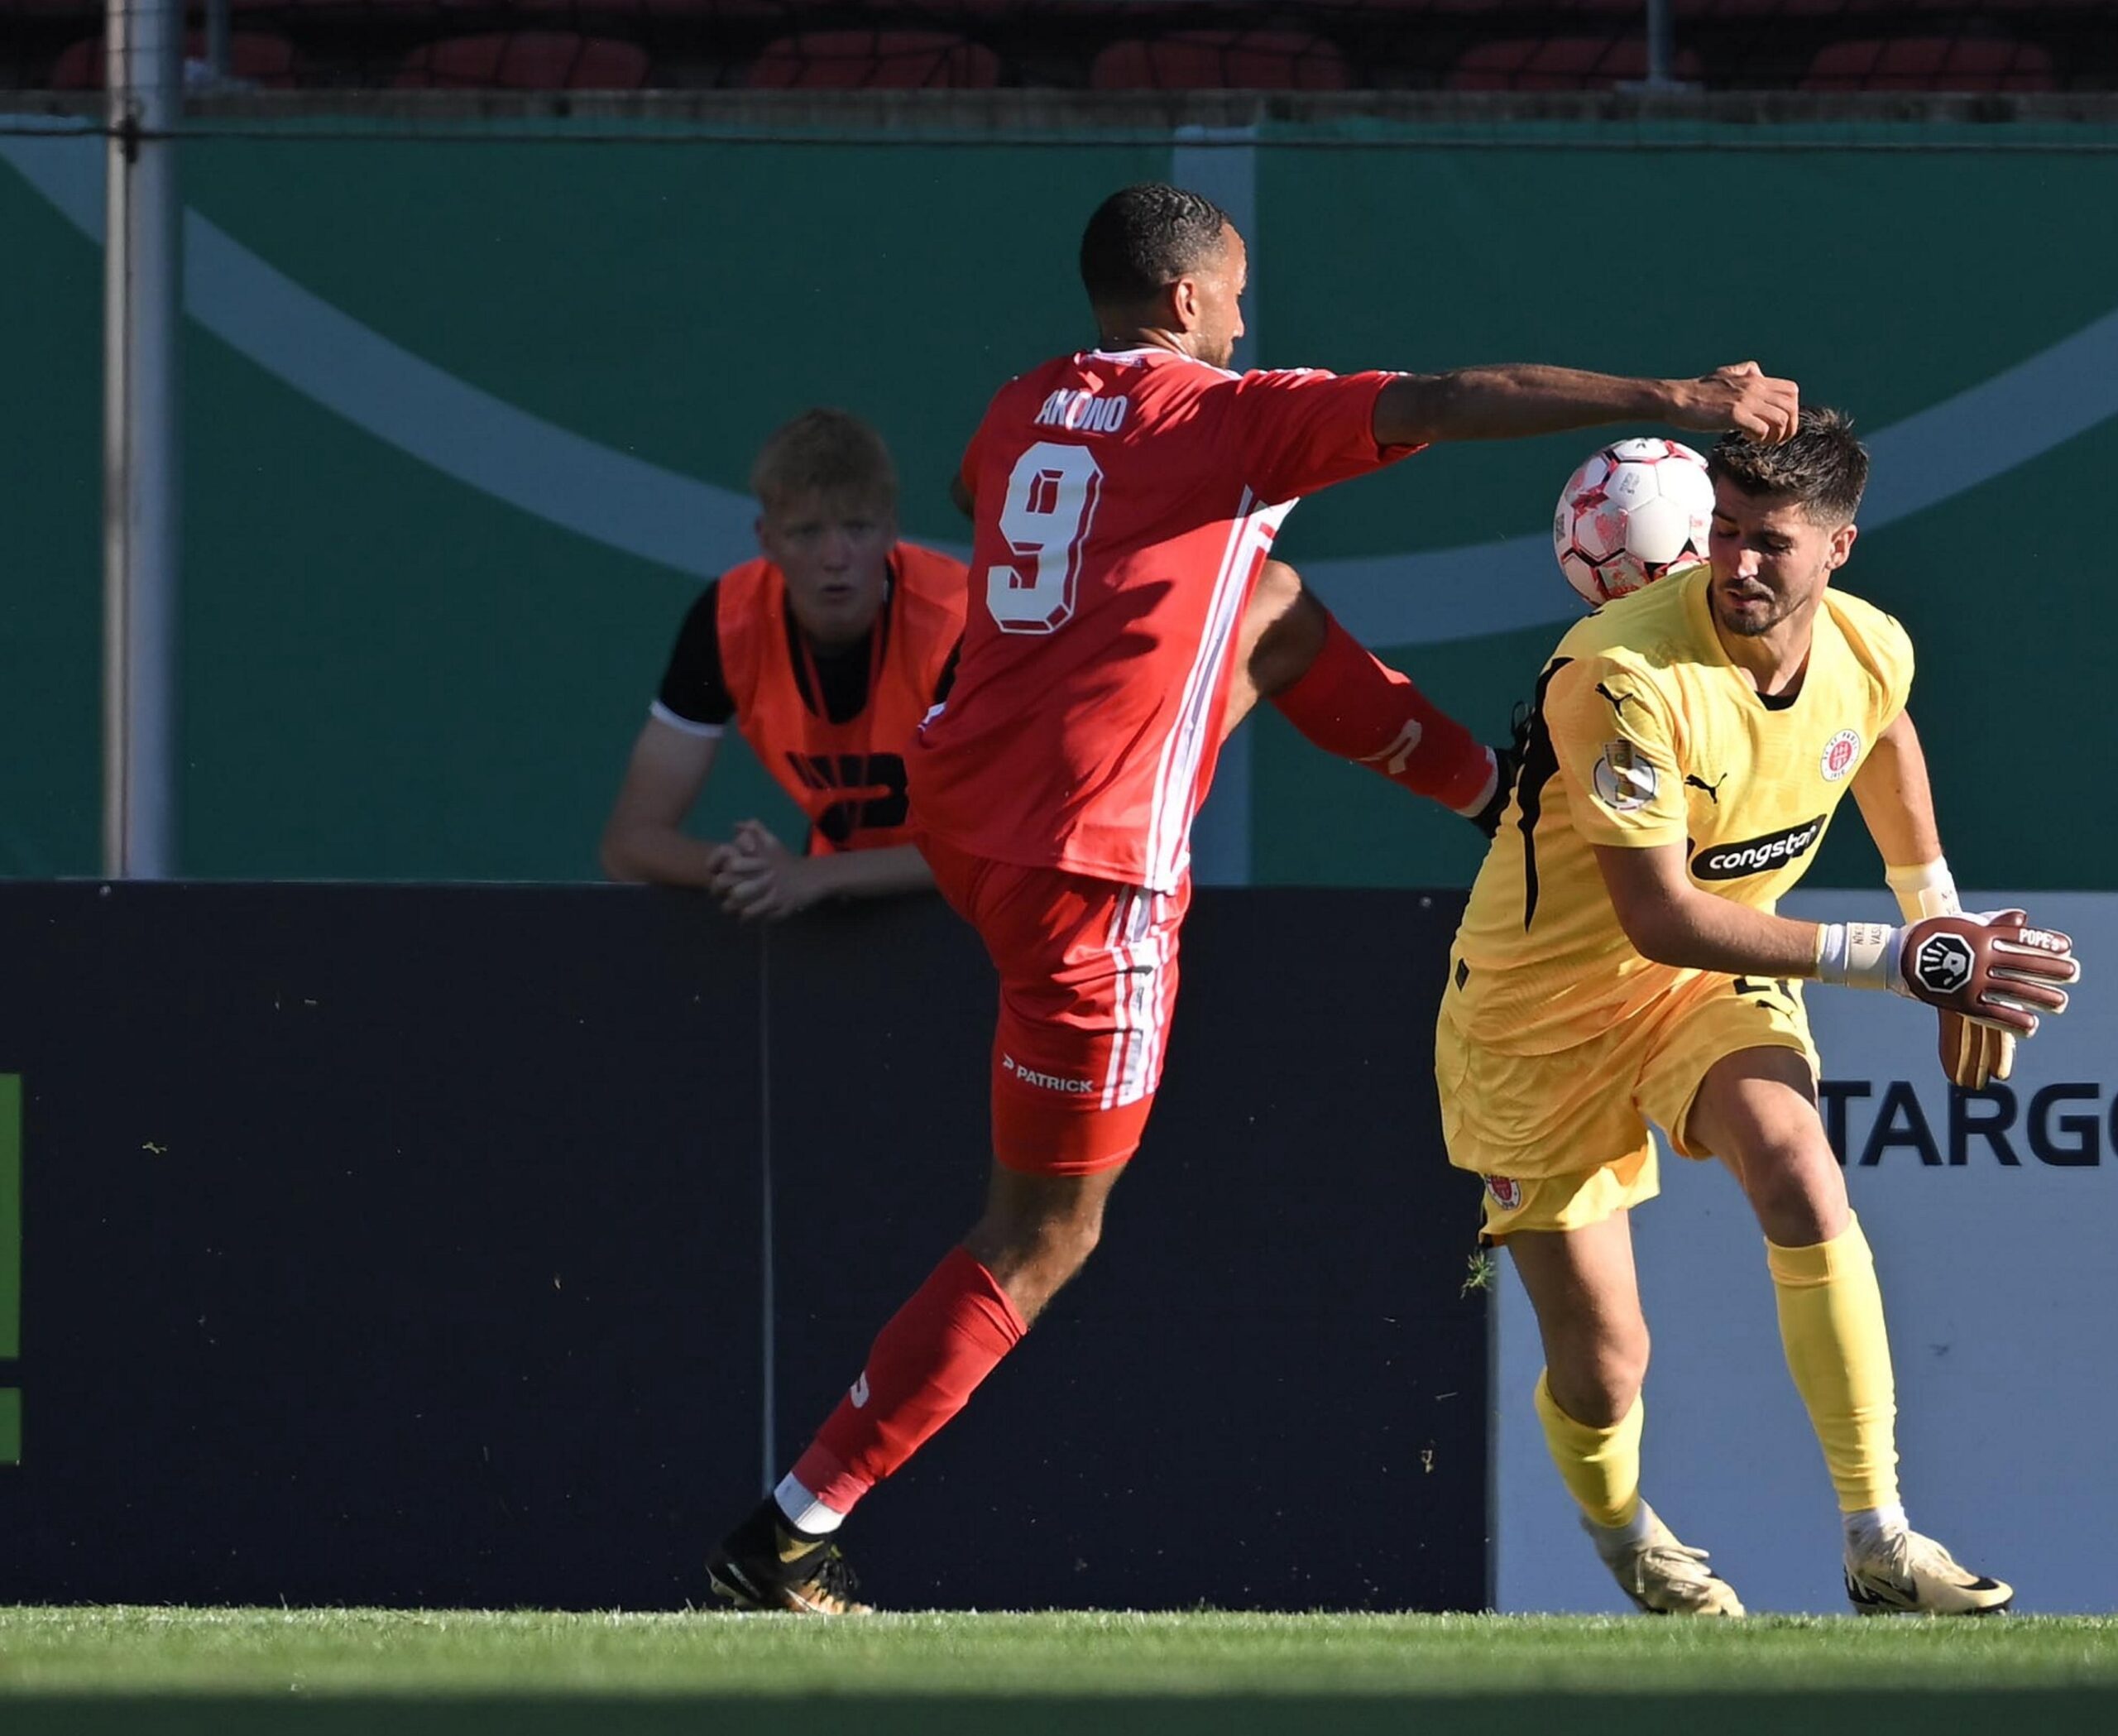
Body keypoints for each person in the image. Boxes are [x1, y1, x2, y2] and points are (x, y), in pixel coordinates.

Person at [705, 180, 1801, 1614]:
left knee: (1267, 611)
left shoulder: (1029, 398)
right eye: (1233, 298)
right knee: (1045, 1233)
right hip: (1087, 877)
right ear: (1181, 302)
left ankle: (1487, 793)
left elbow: (994, 498)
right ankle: (788, 1530)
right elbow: (1452, 397)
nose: (1243, 320)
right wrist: (1679, 392)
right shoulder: (1219, 413)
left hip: (963, 808)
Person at [1435, 409, 2079, 1615]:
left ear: (1837, 548)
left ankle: (1878, 1533)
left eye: (1769, 542)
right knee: (1606, 1364)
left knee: (1799, 1169)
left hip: (1708, 989)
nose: (1735, 563)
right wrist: (1907, 959)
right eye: (1722, 533)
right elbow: (1662, 917)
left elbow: (1878, 727)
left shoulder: (1871, 642)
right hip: (1535, 1020)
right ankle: (1627, 1534)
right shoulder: (1619, 673)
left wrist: (1935, 906)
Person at [599, 408, 965, 919]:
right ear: (766, 540)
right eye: (807, 533)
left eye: (857, 528)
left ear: (890, 532)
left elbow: (995, 843)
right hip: (830, 903)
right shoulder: (728, 621)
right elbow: (629, 845)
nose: (835, 557)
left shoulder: (962, 622)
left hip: (967, 916)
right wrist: (743, 871)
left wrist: (808, 877)